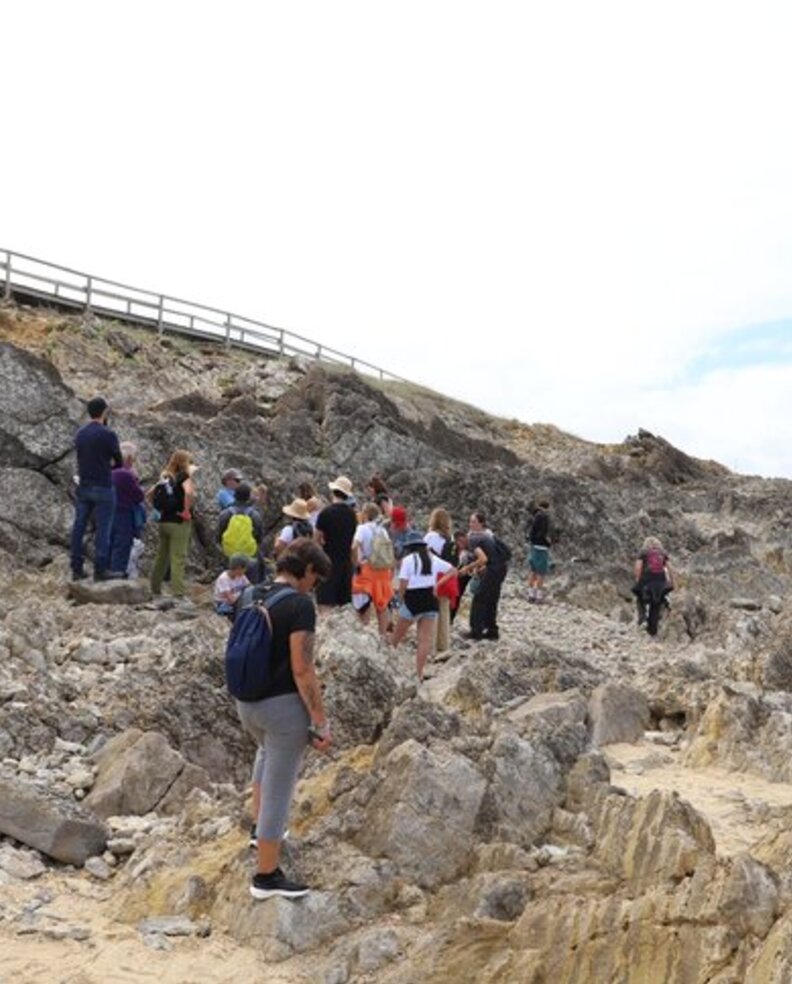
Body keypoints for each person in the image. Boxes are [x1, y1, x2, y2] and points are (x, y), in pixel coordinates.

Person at [235, 539, 332, 900]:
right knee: (280, 789)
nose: (313, 587)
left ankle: (258, 832)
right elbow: (302, 669)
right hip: (282, 710)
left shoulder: (250, 594)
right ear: (307, 570)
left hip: (246, 704)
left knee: (264, 756)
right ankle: (266, 876)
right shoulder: (299, 605)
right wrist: (320, 722)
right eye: (315, 580)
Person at [70, 396, 123, 581]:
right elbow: (119, 461)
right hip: (103, 486)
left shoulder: (80, 433)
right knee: (103, 529)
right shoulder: (108, 434)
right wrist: (108, 466)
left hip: (84, 485)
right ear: (104, 412)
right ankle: (100, 570)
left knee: (79, 527)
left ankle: (76, 568)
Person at [390, 532, 454, 680]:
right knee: (424, 641)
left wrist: (399, 600)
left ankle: (389, 667)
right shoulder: (433, 558)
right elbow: (453, 570)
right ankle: (419, 673)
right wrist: (437, 585)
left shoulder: (408, 560)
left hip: (413, 599)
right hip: (430, 599)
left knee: (396, 638)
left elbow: (403, 584)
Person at [149, 450, 195, 599]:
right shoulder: (184, 476)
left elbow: (149, 494)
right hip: (179, 522)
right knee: (178, 558)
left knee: (162, 556)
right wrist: (186, 511)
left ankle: (154, 587)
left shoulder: (165, 477)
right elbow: (189, 493)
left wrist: (159, 509)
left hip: (164, 521)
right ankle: (178, 593)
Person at [314, 476, 357, 611]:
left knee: (325, 603)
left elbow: (316, 539)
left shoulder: (326, 513)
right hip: (346, 563)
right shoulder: (352, 515)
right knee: (343, 606)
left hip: (328, 561)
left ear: (333, 492)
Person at [351, 502, 394, 636]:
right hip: (383, 572)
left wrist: (356, 562)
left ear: (365, 514)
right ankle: (382, 637)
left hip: (367, 570)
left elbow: (354, 546)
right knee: (382, 605)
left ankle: (363, 635)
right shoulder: (382, 530)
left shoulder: (362, 529)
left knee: (363, 604)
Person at [466, 511, 509, 641]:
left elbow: (483, 558)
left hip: (492, 569)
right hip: (501, 568)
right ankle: (492, 630)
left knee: (479, 599)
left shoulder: (473, 538)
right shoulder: (489, 534)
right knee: (491, 599)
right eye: (470, 521)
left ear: (481, 523)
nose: (471, 524)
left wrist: (468, 568)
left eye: (474, 522)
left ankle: (476, 631)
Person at [108, 441, 145, 577]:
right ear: (129, 458)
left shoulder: (108, 472)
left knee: (109, 545)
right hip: (123, 513)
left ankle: (106, 575)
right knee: (121, 546)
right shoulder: (125, 475)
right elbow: (139, 496)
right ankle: (117, 577)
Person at [424, 508, 456, 652]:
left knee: (431, 613)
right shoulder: (450, 538)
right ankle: (444, 646)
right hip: (448, 577)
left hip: (434, 577)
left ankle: (430, 647)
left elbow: (424, 555)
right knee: (444, 613)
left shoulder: (430, 536)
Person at [217, 482, 265, 577]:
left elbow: (218, 538)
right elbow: (259, 539)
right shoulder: (255, 515)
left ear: (234, 495)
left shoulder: (225, 514)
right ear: (249, 497)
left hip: (229, 557)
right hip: (249, 557)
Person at [633, 536, 674, 626]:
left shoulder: (643, 552)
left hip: (646, 580)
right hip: (660, 580)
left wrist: (637, 580)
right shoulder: (663, 553)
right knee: (659, 600)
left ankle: (642, 619)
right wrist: (672, 582)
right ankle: (658, 621)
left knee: (640, 598)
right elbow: (670, 568)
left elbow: (638, 567)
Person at [526, 499, 552, 604]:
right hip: (542, 547)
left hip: (534, 546)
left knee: (533, 570)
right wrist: (548, 543)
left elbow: (531, 531)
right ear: (547, 507)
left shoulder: (534, 516)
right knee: (541, 572)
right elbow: (544, 533)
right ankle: (538, 595)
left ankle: (530, 594)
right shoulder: (544, 517)